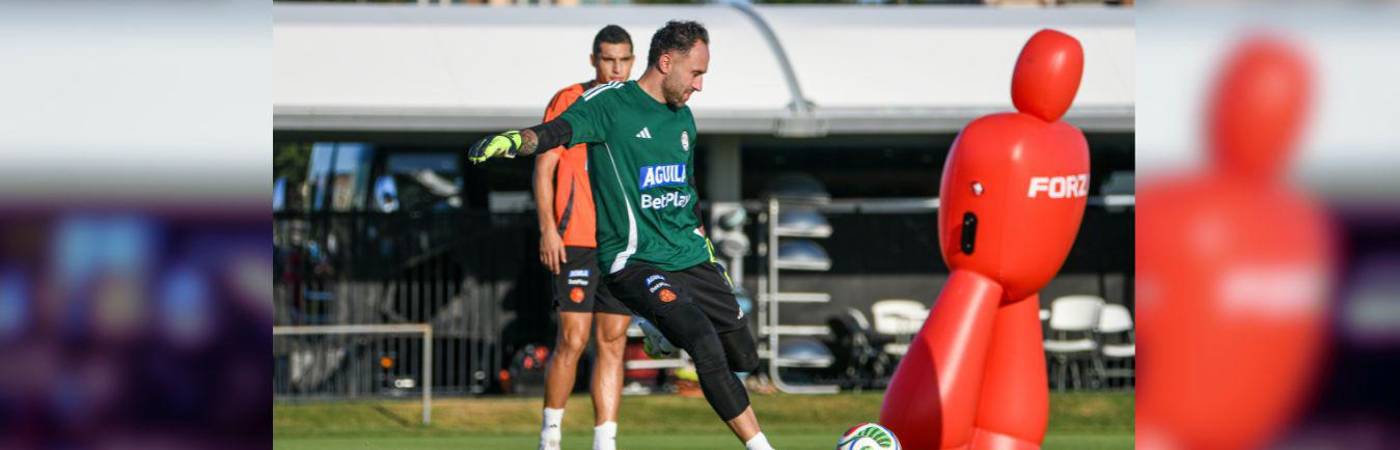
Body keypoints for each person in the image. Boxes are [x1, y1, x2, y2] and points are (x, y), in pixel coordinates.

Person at [468, 20, 775, 450]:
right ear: (666, 63)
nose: (700, 85)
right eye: (696, 73)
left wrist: (702, 239)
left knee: (744, 357)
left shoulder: (683, 116)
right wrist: (516, 140)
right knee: (700, 344)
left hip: (691, 256)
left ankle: (662, 333)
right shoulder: (609, 105)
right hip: (633, 260)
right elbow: (556, 133)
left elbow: (685, 191)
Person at [532, 25, 636, 450]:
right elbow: (544, 167)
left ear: (633, 61)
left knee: (612, 343)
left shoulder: (639, 105)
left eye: (624, 60)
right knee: (572, 340)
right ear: (594, 60)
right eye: (608, 59)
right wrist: (547, 228)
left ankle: (604, 440)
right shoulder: (569, 100)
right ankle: (551, 435)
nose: (616, 68)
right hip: (575, 239)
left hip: (623, 244)